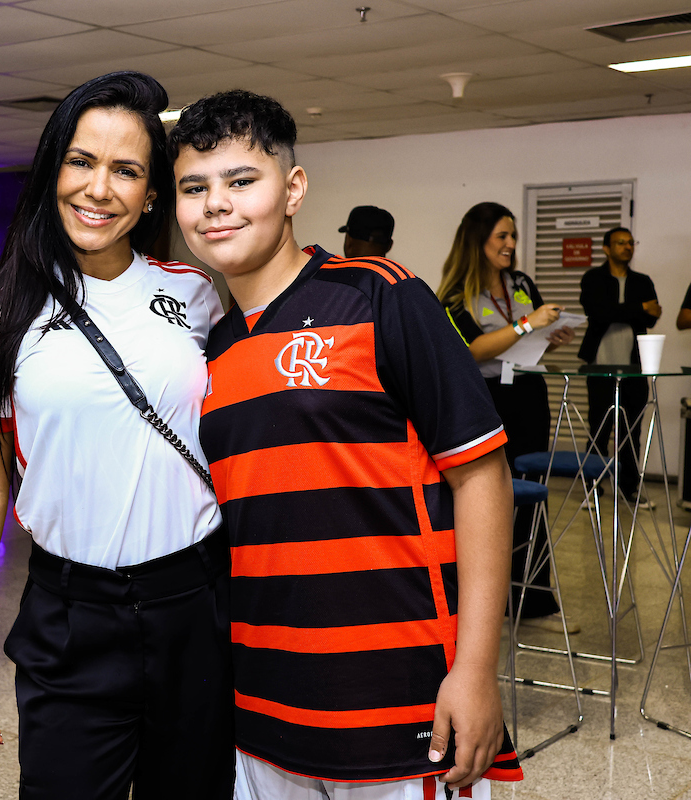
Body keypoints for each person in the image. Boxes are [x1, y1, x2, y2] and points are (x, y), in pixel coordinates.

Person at [169, 90, 522, 799]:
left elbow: (482, 477)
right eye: (194, 187)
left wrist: (476, 670)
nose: (216, 204)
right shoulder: (204, 346)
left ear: (293, 189)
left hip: (404, 703)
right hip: (265, 711)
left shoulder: (381, 296)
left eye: (242, 180)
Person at [0, 72, 231, 799]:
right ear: (53, 169)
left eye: (126, 170)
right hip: (69, 617)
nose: (99, 189)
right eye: (82, 161)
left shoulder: (195, 295)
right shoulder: (2, 315)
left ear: (152, 194)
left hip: (193, 607)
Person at [437, 202, 576, 630]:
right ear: (478, 240)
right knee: (490, 500)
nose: (511, 245)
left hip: (530, 393)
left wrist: (551, 337)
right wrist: (526, 325)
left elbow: (529, 337)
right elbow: (475, 350)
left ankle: (532, 600)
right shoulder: (455, 295)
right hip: (487, 399)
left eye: (513, 236)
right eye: (502, 236)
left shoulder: (520, 282)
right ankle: (483, 606)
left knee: (531, 496)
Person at [578, 227, 661, 508]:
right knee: (598, 430)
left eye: (630, 243)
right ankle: (593, 488)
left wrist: (625, 310)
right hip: (600, 365)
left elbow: (653, 319)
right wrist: (640, 307)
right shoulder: (593, 278)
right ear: (606, 248)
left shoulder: (642, 280)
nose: (627, 247)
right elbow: (597, 313)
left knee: (631, 431)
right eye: (620, 243)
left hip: (635, 366)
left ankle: (630, 490)